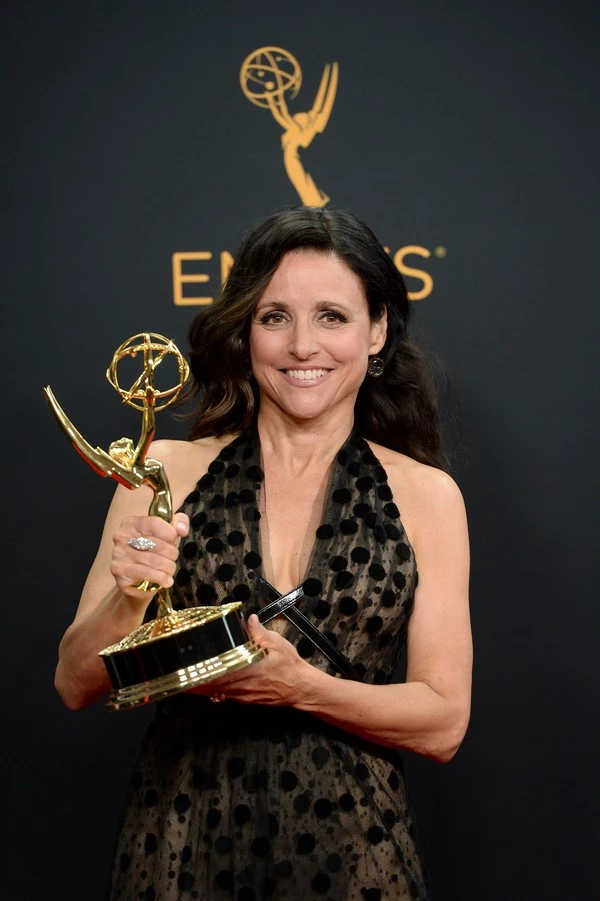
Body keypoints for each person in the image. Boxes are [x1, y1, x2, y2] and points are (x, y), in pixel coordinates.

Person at [55, 206, 472, 901]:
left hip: (354, 855)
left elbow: (444, 720)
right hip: (179, 845)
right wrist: (130, 596)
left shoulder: (428, 496)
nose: (302, 344)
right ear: (245, 332)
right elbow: (75, 682)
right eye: (275, 316)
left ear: (377, 332)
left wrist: (304, 688)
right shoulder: (166, 471)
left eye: (332, 316)